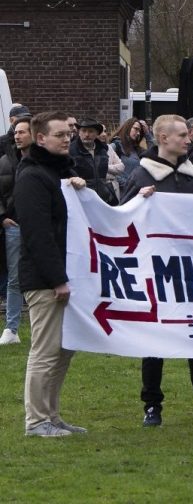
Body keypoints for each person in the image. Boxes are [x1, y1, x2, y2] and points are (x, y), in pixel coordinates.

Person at [121, 114, 193, 427]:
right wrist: (139, 201)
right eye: (182, 135)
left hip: (191, 267)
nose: (188, 140)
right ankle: (152, 405)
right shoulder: (142, 175)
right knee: (154, 338)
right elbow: (121, 218)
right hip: (156, 268)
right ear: (163, 138)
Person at [16, 111, 87, 437]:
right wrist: (57, 279)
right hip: (45, 279)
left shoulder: (59, 174)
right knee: (45, 351)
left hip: (63, 275)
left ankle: (52, 415)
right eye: (60, 134)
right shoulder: (32, 177)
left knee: (63, 351)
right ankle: (36, 420)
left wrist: (78, 186)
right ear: (41, 138)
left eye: (69, 134)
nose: (67, 139)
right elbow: (38, 234)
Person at [0, 116, 32, 346]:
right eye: (16, 132)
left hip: (40, 226)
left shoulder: (46, 161)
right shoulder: (5, 161)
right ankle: (11, 328)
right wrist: (3, 217)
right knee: (14, 278)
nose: (17, 136)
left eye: (22, 132)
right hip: (14, 226)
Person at [69, 118, 117, 205]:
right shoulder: (71, 150)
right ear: (79, 132)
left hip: (102, 199)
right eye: (84, 131)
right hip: (82, 200)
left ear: (97, 133)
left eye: (91, 131)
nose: (87, 134)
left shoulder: (103, 150)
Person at [111, 117, 146, 192]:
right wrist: (127, 184)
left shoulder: (137, 150)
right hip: (121, 193)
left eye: (139, 131)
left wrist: (147, 134)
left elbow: (153, 157)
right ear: (128, 127)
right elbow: (106, 170)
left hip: (135, 192)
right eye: (136, 129)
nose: (138, 133)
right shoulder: (116, 146)